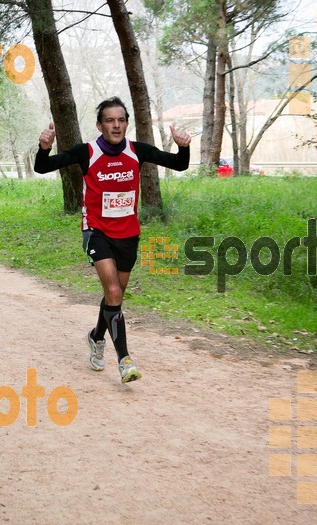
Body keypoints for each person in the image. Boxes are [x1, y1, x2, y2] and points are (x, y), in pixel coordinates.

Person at [34, 96, 191, 384]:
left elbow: (178, 165)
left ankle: (96, 337)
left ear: (127, 124)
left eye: (121, 120)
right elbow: (43, 168)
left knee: (113, 296)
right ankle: (124, 360)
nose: (116, 125)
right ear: (100, 124)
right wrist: (44, 149)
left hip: (128, 234)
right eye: (110, 120)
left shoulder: (137, 151)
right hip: (97, 231)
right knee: (115, 293)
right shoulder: (87, 152)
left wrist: (184, 146)